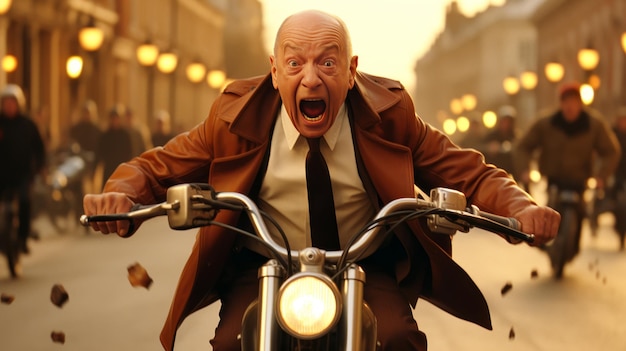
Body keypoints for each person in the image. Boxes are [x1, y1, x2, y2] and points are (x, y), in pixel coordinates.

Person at [83, 10, 560, 351]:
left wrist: (520, 207)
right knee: (229, 342)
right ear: (274, 71)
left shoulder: (390, 116)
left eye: (327, 63)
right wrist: (119, 195)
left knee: (398, 338)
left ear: (351, 72)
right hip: (264, 266)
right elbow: (158, 165)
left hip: (363, 265)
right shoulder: (233, 120)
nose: (310, 79)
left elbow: (468, 168)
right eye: (294, 63)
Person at [515, 81, 620, 275]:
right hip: (554, 181)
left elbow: (611, 151)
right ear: (561, 103)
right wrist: (524, 170)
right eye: (566, 101)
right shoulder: (546, 123)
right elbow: (523, 146)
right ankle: (545, 243)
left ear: (580, 104)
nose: (570, 106)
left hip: (579, 182)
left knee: (581, 214)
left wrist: (601, 176)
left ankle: (572, 247)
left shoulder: (594, 124)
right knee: (547, 216)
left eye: (574, 101)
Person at [0, 84, 46, 255]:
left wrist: (40, 167)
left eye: (12, 102)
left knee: (25, 202)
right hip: (2, 176)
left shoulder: (27, 125)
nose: (9, 106)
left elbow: (39, 148)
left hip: (23, 175)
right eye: (6, 103)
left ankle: (23, 237)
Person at [94, 104, 133, 191]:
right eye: (113, 118)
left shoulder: (125, 135)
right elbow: (99, 153)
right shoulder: (105, 136)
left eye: (116, 118)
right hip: (108, 169)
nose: (115, 121)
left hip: (121, 169)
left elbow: (129, 153)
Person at [483, 105, 518, 178]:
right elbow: (481, 149)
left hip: (512, 172)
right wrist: (490, 148)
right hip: (496, 171)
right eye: (504, 121)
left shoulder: (515, 136)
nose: (506, 124)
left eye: (509, 122)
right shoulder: (491, 136)